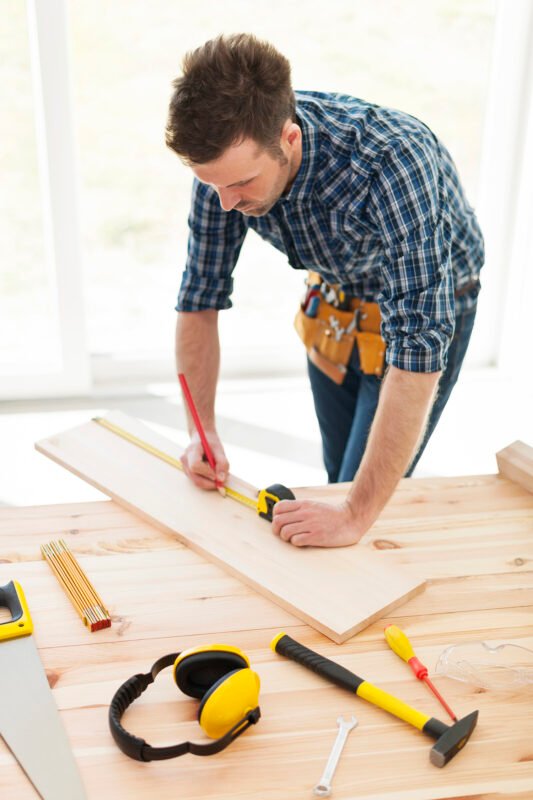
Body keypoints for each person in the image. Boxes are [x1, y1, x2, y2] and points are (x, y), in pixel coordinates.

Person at [165, 33, 484, 548]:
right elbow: (198, 300)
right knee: (337, 475)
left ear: (288, 140)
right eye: (211, 185)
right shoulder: (226, 172)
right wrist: (201, 433)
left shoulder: (393, 159)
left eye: (240, 184)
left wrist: (355, 516)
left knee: (358, 500)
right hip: (336, 289)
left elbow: (418, 347)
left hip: (422, 304)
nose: (224, 204)